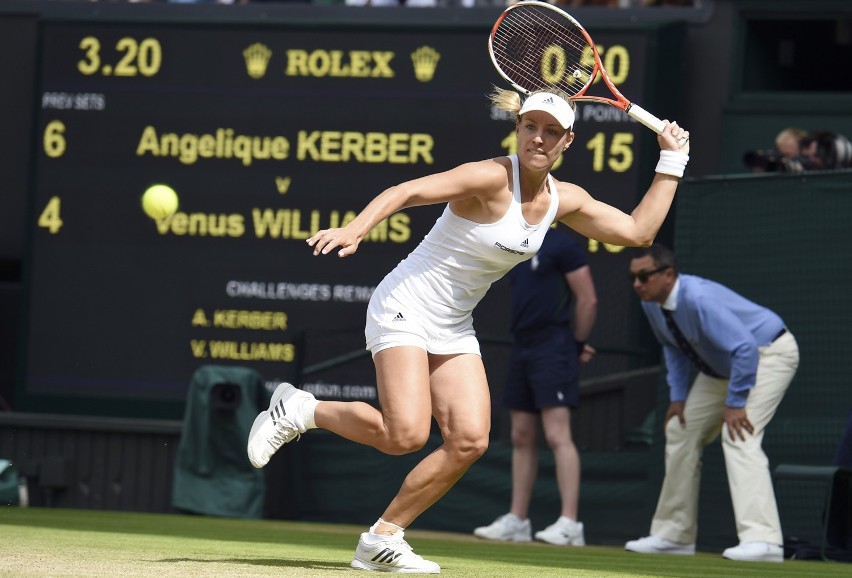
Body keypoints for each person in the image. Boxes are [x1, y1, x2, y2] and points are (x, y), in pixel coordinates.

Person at [247, 87, 690, 574]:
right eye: (530, 126)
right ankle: (302, 409)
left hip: (453, 324)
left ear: (568, 141)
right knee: (406, 435)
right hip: (405, 305)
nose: (537, 138)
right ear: (518, 129)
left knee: (469, 440)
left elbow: (637, 232)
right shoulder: (490, 176)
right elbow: (408, 191)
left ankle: (382, 538)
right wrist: (357, 227)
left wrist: (671, 162)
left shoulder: (566, 200)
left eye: (550, 131)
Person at [624, 243, 799, 563]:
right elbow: (672, 346)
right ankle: (674, 535)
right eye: (633, 277)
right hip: (724, 368)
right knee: (680, 429)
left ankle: (765, 541)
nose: (637, 284)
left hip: (768, 353)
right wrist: (678, 397)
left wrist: (735, 403)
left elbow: (745, 347)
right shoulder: (652, 302)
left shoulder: (698, 298)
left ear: (668, 275)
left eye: (644, 276)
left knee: (739, 434)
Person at [473, 226, 597, 546]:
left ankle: (571, 523)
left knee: (557, 435)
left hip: (553, 345)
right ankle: (518, 520)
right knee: (521, 435)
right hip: (523, 346)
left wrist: (575, 343)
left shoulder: (562, 244)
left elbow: (588, 299)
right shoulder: (517, 244)